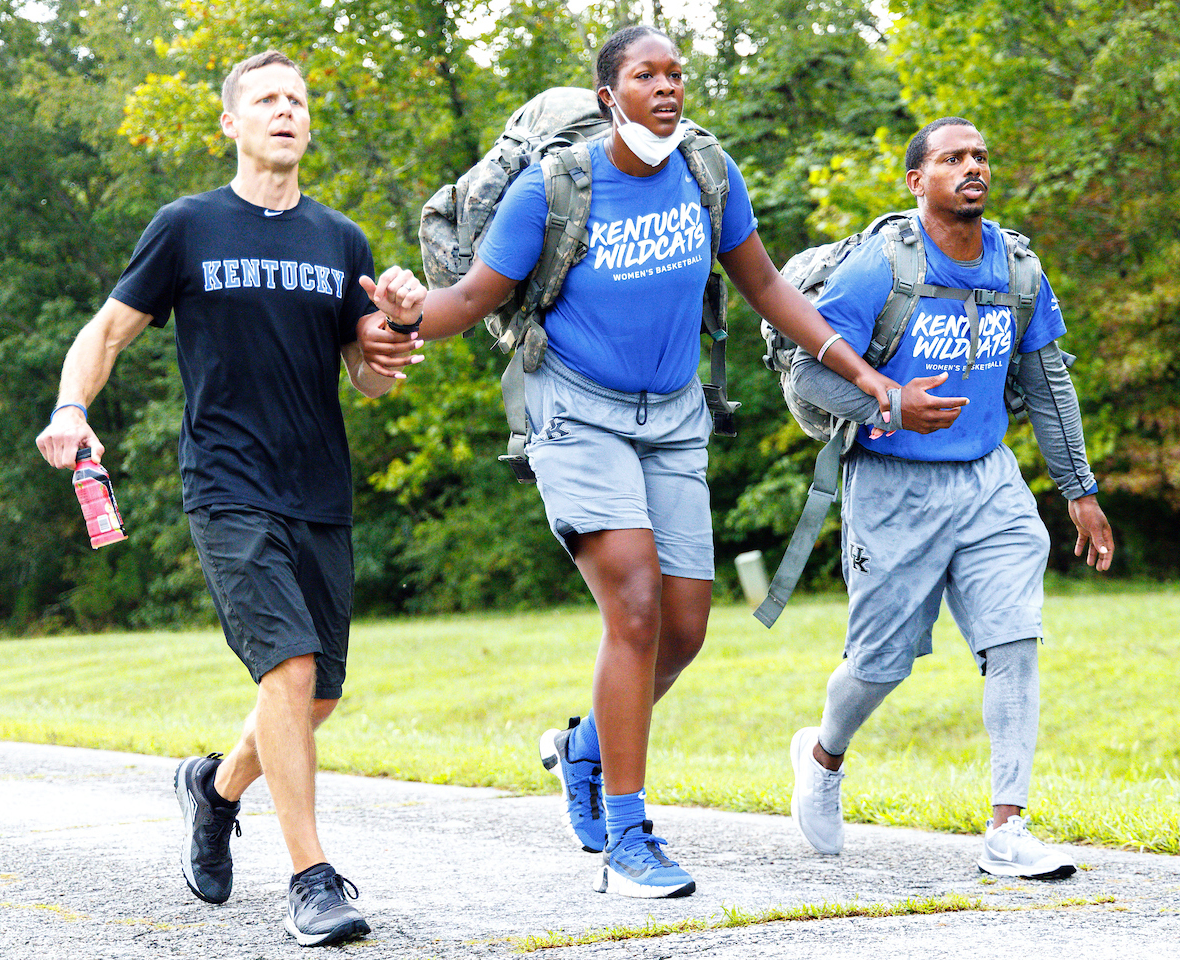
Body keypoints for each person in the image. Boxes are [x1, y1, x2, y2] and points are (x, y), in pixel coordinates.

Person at [358, 25, 894, 899]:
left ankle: (583, 753)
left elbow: (766, 288)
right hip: (575, 410)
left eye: (678, 74)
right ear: (610, 94)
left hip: (676, 416)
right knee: (636, 606)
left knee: (684, 630)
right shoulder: (555, 185)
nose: (669, 88)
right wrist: (410, 315)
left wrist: (861, 371)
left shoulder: (707, 175)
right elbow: (472, 296)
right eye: (648, 74)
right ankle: (628, 833)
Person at [34, 50, 424, 947]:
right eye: (265, 99)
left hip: (318, 487)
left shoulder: (341, 239)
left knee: (315, 696)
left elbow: (369, 380)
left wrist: (398, 324)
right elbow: (109, 330)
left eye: (296, 99)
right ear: (232, 123)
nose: (284, 111)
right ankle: (312, 880)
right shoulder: (187, 226)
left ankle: (213, 792)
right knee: (286, 673)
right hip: (227, 485)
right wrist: (70, 406)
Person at [784, 116, 1115, 879]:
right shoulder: (879, 270)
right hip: (894, 485)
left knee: (1014, 639)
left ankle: (1008, 826)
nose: (972, 167)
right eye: (952, 158)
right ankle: (824, 755)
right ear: (916, 181)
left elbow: (1048, 381)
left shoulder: (1019, 270)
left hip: (989, 479)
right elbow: (808, 371)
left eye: (980, 157)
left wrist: (1079, 489)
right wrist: (889, 404)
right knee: (880, 664)